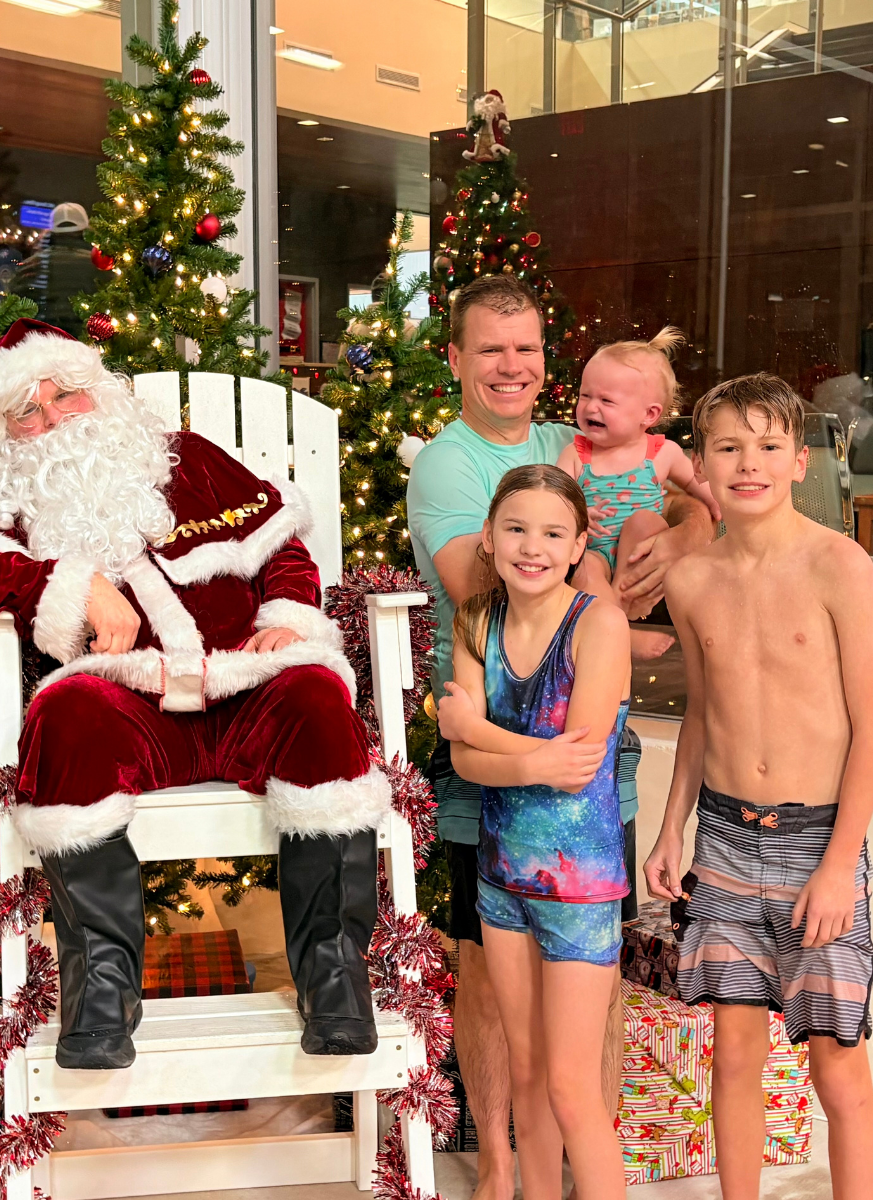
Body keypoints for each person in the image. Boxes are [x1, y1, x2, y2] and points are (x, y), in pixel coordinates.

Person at [0, 318, 387, 1068]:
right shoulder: (6, 498)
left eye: (66, 395)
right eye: (26, 412)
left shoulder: (186, 460)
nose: (53, 420)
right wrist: (73, 585)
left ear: (99, 393)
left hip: (245, 689)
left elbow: (283, 547)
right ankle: (101, 992)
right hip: (129, 707)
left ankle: (333, 977)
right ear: (2, 433)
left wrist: (287, 620)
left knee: (320, 699)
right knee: (65, 715)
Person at [406, 276, 713, 1200]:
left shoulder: (570, 443)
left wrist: (679, 525)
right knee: (488, 975)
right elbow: (493, 590)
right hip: (492, 736)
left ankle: (591, 1163)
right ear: (457, 359)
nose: (513, 366)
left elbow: (674, 486)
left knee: (592, 971)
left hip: (583, 767)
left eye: (528, 349)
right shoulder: (448, 465)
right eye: (491, 349)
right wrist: (600, 592)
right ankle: (500, 1162)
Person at [644, 373, 873, 1200]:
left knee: (836, 1064)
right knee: (732, 1054)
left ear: (797, 458)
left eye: (769, 446)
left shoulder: (840, 565)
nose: (749, 464)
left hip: (821, 838)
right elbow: (703, 713)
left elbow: (870, 726)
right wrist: (673, 830)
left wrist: (841, 862)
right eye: (729, 447)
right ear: (699, 463)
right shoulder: (692, 580)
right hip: (727, 838)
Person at [440, 464, 630, 1200]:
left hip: (579, 890)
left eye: (553, 533)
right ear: (488, 537)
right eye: (516, 529)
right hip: (502, 881)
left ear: (580, 543)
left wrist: (484, 734)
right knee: (524, 1072)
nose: (532, 547)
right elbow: (461, 760)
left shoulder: (599, 624)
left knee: (571, 1087)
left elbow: (578, 769)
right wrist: (529, 756)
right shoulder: (476, 623)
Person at [555, 327, 720, 659]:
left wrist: (718, 506)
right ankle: (620, 629)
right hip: (596, 548)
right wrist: (577, 513)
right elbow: (555, 499)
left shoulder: (663, 453)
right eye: (585, 396)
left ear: (649, 415)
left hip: (641, 551)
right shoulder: (576, 453)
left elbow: (699, 483)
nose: (590, 407)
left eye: (606, 400)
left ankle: (621, 596)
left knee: (645, 520)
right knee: (584, 567)